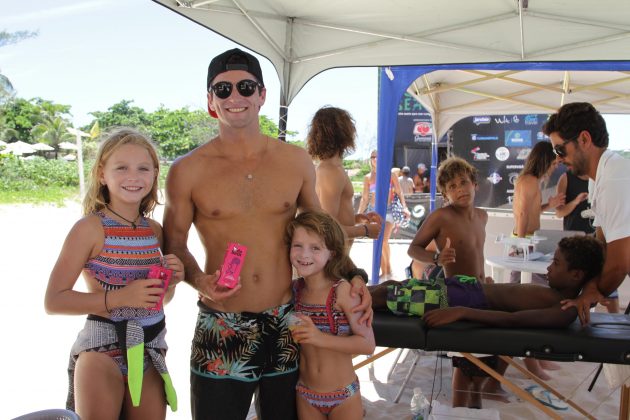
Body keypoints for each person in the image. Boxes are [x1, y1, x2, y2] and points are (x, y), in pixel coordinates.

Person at [162, 48, 372, 420]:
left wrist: (354, 276)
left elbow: (323, 231)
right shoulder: (187, 170)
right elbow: (174, 242)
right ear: (210, 102)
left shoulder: (294, 161)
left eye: (245, 87)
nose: (235, 97)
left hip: (286, 321)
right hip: (221, 322)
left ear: (261, 95)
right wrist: (200, 281)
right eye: (222, 90)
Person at [44, 128, 183, 419]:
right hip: (101, 348)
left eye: (143, 168)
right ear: (102, 175)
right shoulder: (90, 229)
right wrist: (121, 297)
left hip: (149, 347)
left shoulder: (154, 231)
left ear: (155, 174)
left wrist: (170, 283)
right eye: (121, 168)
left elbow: (157, 300)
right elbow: (54, 301)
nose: (133, 176)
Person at [373, 235, 605, 408]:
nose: (548, 267)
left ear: (576, 275)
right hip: (466, 288)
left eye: (555, 263)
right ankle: (342, 294)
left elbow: (513, 320)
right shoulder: (563, 297)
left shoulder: (565, 309)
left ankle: (338, 302)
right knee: (391, 288)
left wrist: (462, 311)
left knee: (388, 296)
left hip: (461, 299)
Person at [404, 156, 500, 408]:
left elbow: (477, 252)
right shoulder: (441, 217)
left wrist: (484, 276)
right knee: (465, 358)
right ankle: (459, 411)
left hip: (482, 291)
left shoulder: (482, 216)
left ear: (474, 184)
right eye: (452, 187)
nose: (460, 190)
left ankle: (475, 409)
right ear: (445, 194)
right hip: (458, 294)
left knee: (482, 361)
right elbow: (413, 249)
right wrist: (436, 258)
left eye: (463, 182)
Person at [543, 102, 630, 325]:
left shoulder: (615, 178)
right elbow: (601, 245)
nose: (558, 158)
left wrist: (590, 294)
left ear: (584, 139)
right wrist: (590, 286)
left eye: (560, 149)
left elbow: (620, 263)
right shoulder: (598, 179)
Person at [287, 211, 375, 419]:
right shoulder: (294, 290)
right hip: (305, 393)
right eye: (297, 245)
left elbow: (367, 344)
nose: (304, 254)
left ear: (332, 253)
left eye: (315, 248)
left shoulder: (343, 291)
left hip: (343, 395)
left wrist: (319, 338)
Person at [306, 106, 382, 247]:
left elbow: (332, 219)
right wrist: (364, 230)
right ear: (343, 132)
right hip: (332, 263)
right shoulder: (330, 171)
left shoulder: (333, 169)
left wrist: (357, 219)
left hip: (337, 259)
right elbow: (325, 230)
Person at [511, 141, 565, 284]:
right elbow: (523, 214)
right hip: (525, 240)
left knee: (524, 284)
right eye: (553, 164)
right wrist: (520, 245)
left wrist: (549, 205)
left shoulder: (533, 181)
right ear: (544, 161)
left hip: (528, 239)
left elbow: (532, 211)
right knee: (524, 285)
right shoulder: (529, 181)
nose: (555, 168)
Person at [358, 150, 410, 280]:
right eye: (372, 157)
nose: (375, 159)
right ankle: (386, 270)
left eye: (378, 156)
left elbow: (399, 192)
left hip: (389, 210)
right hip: (374, 211)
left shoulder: (391, 174)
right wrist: (358, 214)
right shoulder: (368, 177)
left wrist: (405, 207)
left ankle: (388, 270)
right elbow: (364, 198)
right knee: (379, 241)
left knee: (383, 240)